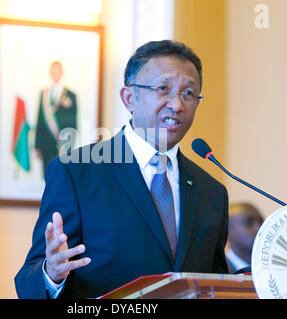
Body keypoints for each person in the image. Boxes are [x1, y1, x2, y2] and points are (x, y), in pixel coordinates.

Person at [15, 40, 229, 299]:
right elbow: (28, 283)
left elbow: (216, 283)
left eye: (188, 93)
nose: (177, 104)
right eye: (163, 89)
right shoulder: (76, 172)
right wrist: (52, 273)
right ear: (129, 98)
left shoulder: (212, 192)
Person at [34, 60, 77, 173]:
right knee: (47, 175)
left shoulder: (71, 96)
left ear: (62, 72)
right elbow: (39, 121)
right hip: (46, 144)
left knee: (63, 176)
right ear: (50, 73)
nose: (55, 73)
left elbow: (73, 122)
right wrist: (37, 146)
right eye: (53, 71)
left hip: (63, 144)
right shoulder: (44, 94)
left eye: (58, 71)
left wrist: (70, 145)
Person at [226, 202, 264, 274]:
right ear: (227, 231)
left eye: (261, 222)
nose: (259, 228)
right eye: (248, 223)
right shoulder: (216, 271)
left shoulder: (275, 269)